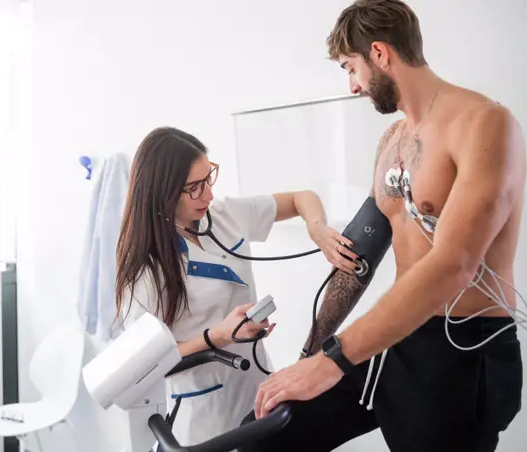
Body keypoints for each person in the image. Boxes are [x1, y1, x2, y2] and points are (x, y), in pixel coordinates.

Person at [240, 1, 526, 451]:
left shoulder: (485, 124)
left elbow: (455, 264)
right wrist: (308, 355)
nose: (351, 86)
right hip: (397, 336)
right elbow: (360, 256)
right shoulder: (392, 141)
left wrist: (331, 361)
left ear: (379, 53)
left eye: (349, 68)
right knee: (266, 435)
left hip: (463, 348)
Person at [114, 126, 358, 447]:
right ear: (163, 191)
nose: (209, 195)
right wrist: (217, 336)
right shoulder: (145, 269)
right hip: (204, 411)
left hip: (260, 386)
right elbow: (146, 366)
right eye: (194, 188)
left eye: (208, 178)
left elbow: (302, 198)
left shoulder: (224, 215)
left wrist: (317, 228)